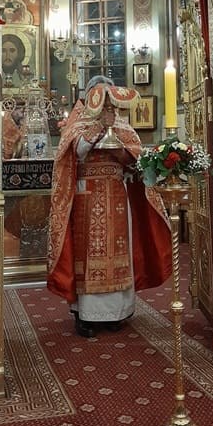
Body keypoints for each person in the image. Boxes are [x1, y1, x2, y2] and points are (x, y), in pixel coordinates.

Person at [48, 76, 172, 338]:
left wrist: (121, 152)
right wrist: (99, 127)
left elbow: (136, 159)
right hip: (86, 196)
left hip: (116, 195)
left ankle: (117, 313)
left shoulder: (121, 123)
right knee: (87, 254)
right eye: (101, 98)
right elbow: (77, 151)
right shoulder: (78, 120)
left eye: (109, 99)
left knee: (118, 252)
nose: (107, 105)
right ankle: (85, 315)